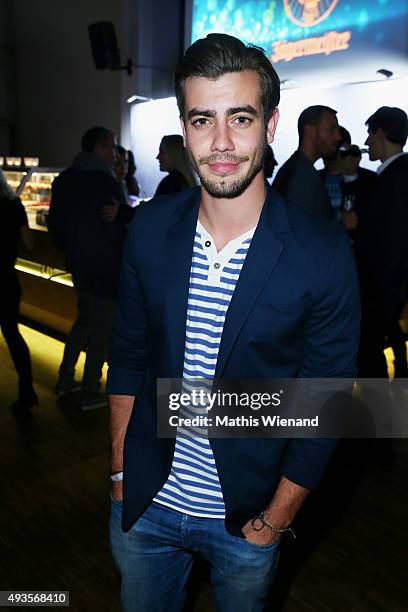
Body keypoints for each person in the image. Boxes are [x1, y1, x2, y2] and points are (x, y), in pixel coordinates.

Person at [107, 34, 360, 612]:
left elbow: (325, 402)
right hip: (145, 504)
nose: (221, 143)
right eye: (203, 120)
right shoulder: (149, 231)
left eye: (240, 118)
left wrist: (274, 522)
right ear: (185, 126)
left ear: (271, 125)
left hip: (248, 518)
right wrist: (121, 474)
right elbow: (127, 356)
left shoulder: (321, 253)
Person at [48, 126, 131, 410]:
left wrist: (69, 252)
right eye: (112, 146)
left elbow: (55, 225)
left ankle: (64, 378)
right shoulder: (105, 183)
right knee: (102, 331)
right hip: (105, 267)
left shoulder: (63, 180)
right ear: (99, 148)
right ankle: (90, 390)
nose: (115, 152)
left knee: (83, 321)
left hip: (78, 266)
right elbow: (117, 229)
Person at [356, 106, 408, 378]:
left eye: (369, 133)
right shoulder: (399, 175)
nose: (365, 142)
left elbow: (390, 245)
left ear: (381, 133)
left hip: (382, 292)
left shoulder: (392, 180)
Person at [0, 169, 37, 410]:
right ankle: (27, 390)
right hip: (6, 279)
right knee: (12, 334)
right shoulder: (14, 204)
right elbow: (28, 245)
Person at [273, 105, 341, 218]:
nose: (338, 137)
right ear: (310, 132)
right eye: (332, 129)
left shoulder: (297, 169)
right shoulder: (301, 177)